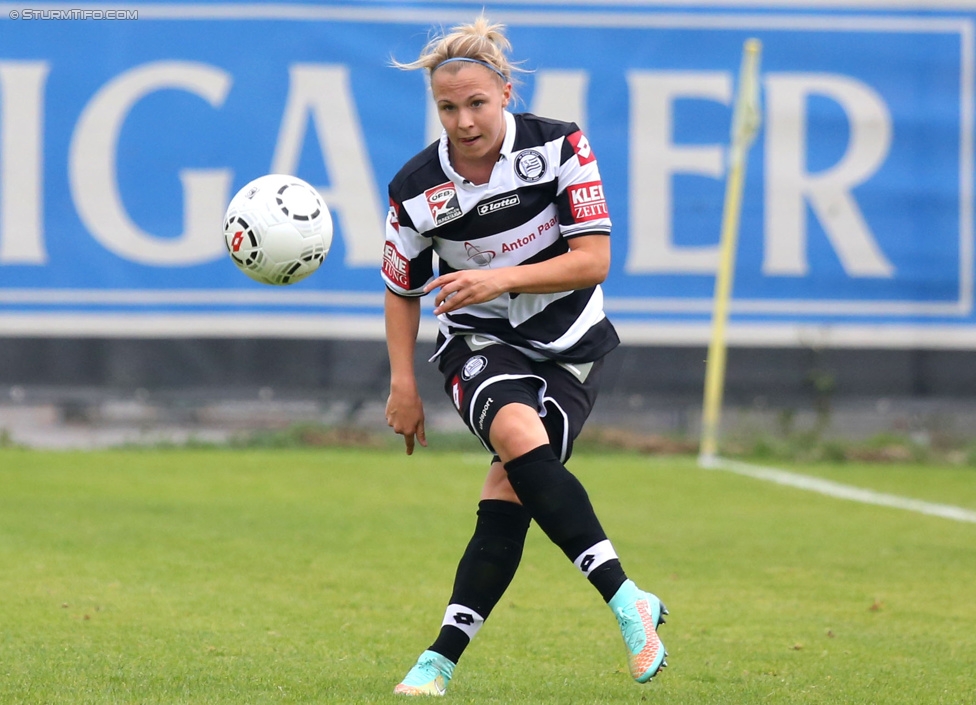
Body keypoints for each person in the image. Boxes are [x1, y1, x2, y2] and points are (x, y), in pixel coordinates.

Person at [381, 15, 667, 696]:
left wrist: (500, 275)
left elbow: (593, 259)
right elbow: (400, 290)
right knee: (513, 431)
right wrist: (402, 383)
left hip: (571, 345)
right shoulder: (416, 188)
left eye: (476, 102)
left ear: (505, 92)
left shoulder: (560, 146)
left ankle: (440, 658)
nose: (464, 120)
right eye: (448, 107)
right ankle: (627, 600)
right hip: (478, 341)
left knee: (510, 484)